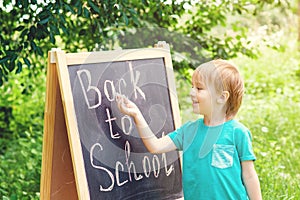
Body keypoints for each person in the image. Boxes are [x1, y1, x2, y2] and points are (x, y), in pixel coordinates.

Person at [116, 59, 262, 200]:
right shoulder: (188, 131)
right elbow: (155, 146)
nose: (192, 92)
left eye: (199, 88)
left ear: (222, 97)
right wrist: (137, 115)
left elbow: (249, 176)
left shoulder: (238, 133)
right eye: (192, 87)